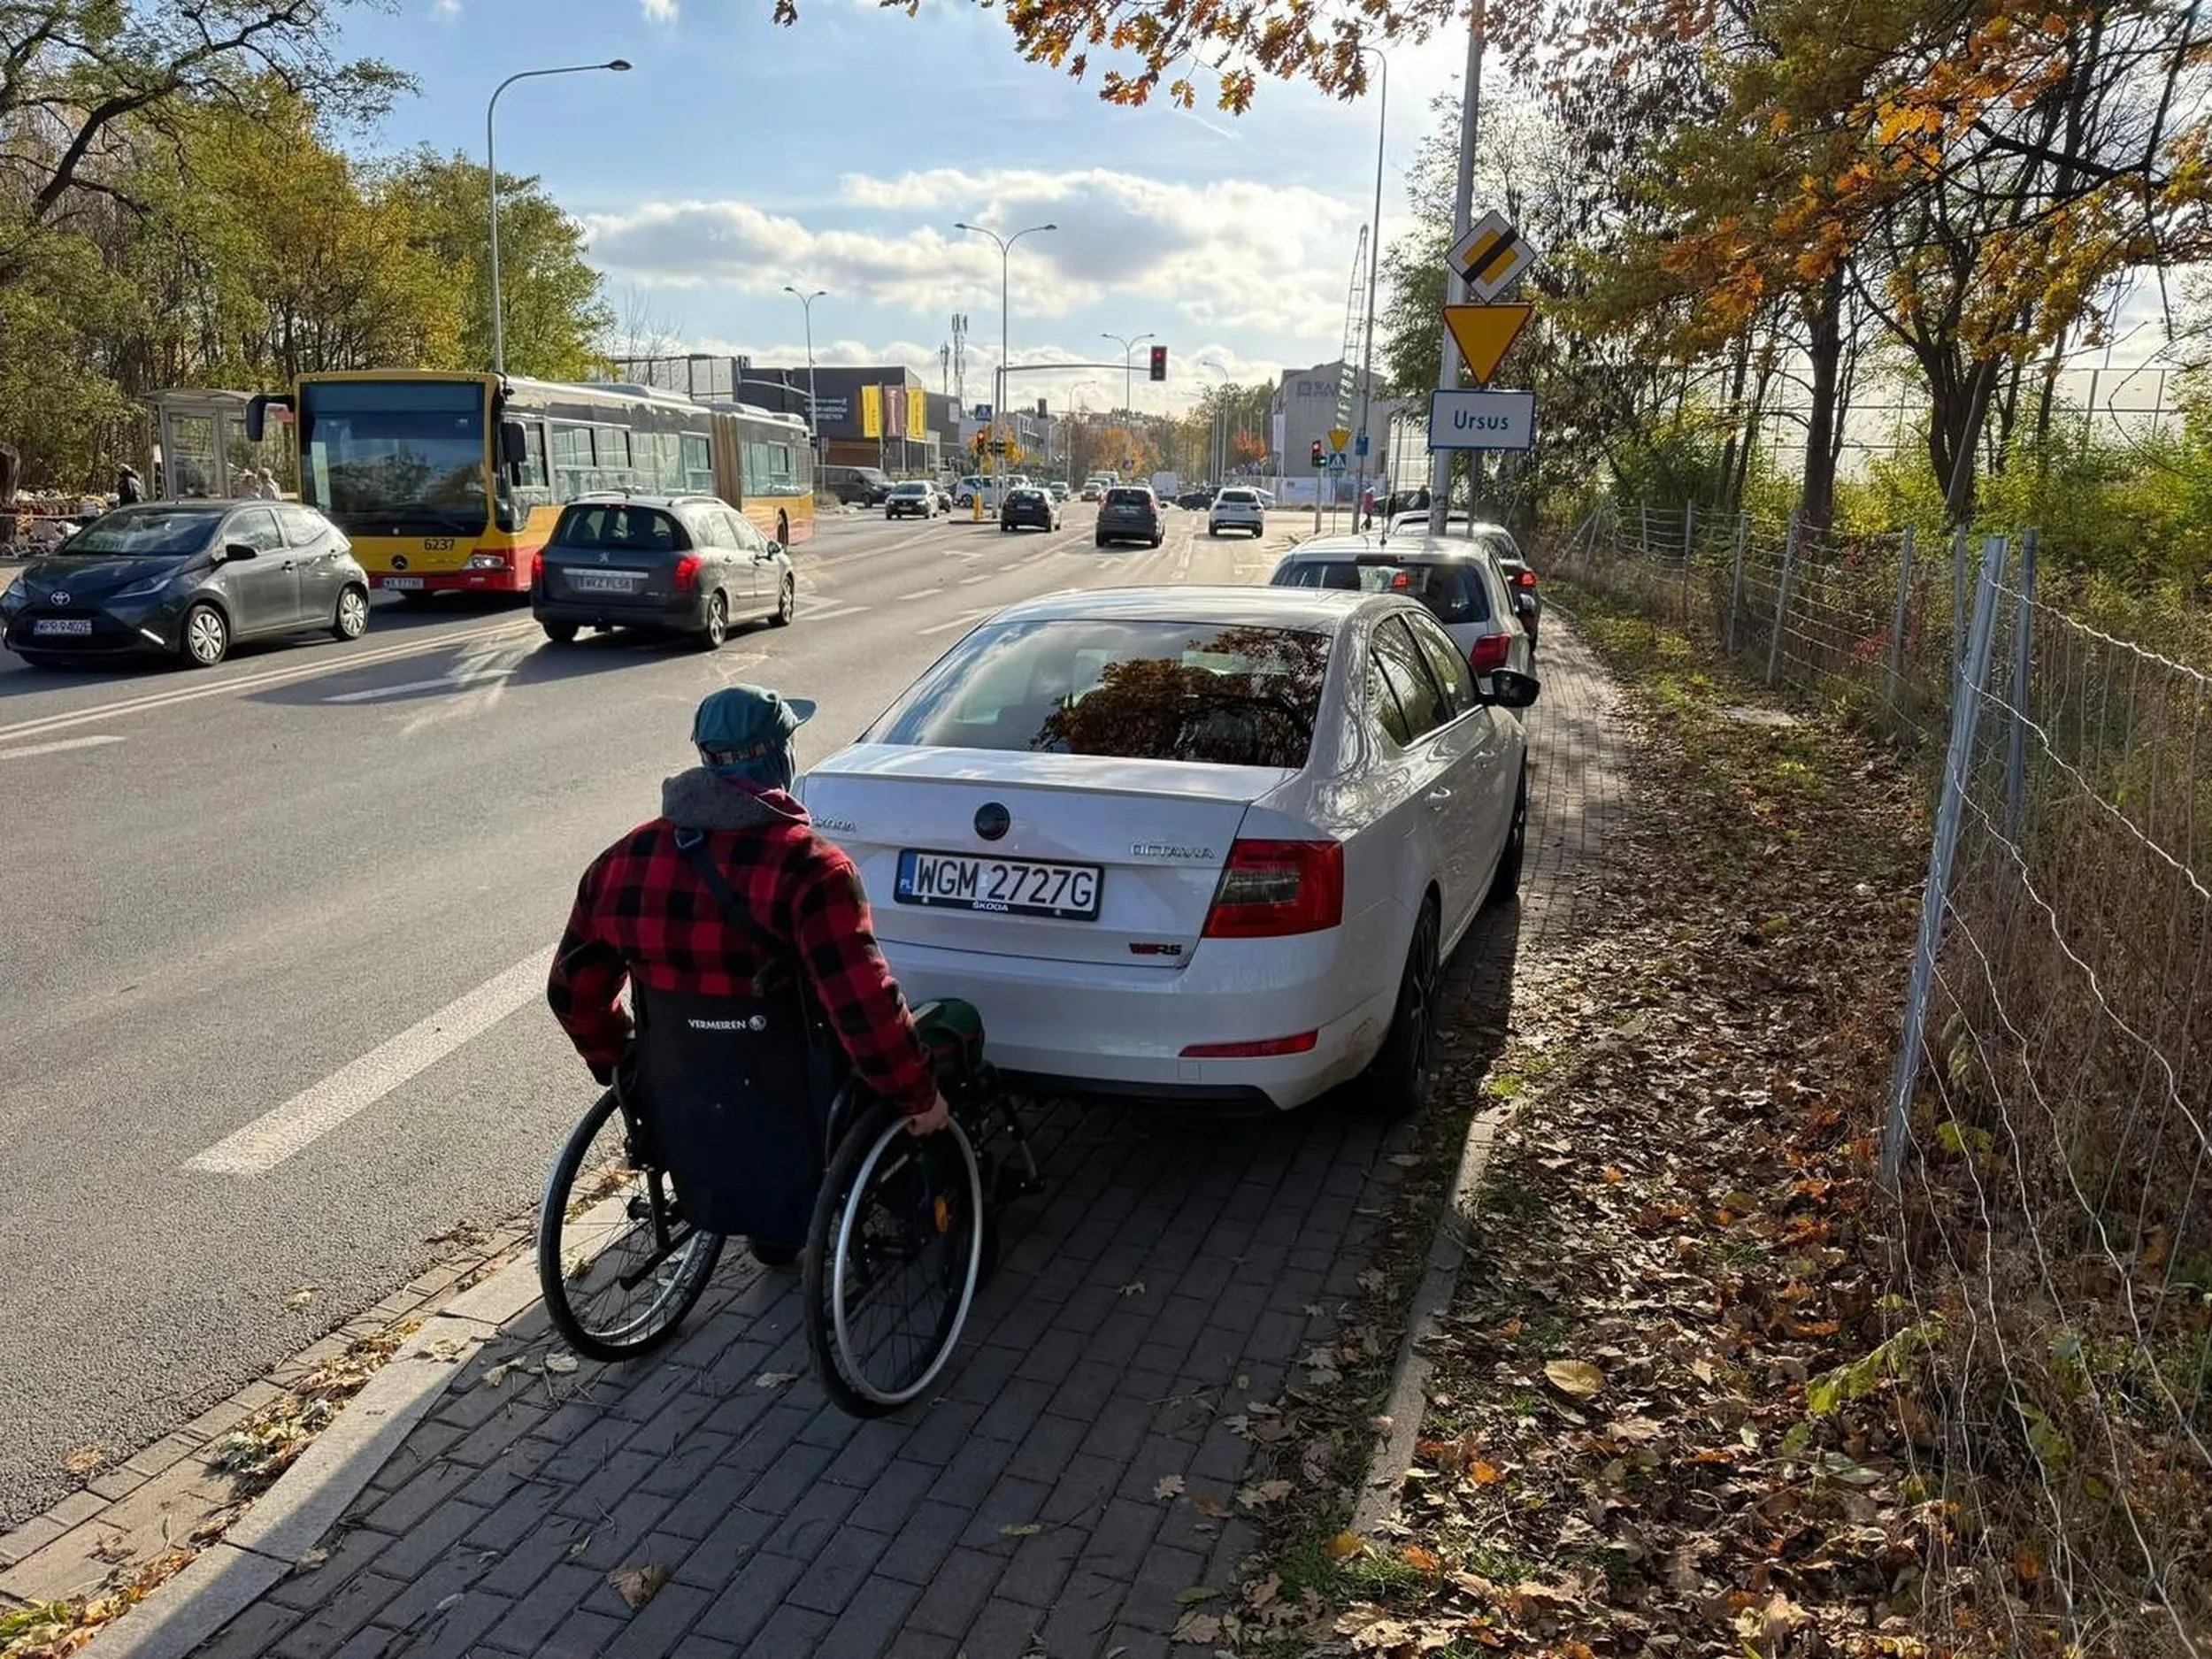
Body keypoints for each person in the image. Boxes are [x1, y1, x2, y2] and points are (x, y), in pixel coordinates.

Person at [547, 686, 950, 1261]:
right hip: (802, 1106)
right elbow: (865, 1007)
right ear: (778, 756)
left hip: (685, 1094)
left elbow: (571, 991)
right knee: (927, 1046)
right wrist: (920, 1095)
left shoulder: (621, 863)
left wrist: (627, 1064)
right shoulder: (813, 868)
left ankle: (771, 1231)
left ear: (706, 757)